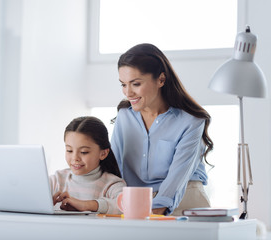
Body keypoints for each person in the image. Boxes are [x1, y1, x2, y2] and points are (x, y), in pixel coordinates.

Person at [111, 43, 213, 216]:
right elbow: (113, 169)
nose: (127, 93)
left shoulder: (191, 122)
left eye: (135, 84)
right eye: (123, 84)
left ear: (161, 79)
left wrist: (154, 212)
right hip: (137, 202)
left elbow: (177, 179)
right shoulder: (124, 116)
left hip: (185, 201)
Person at [50, 116, 126, 214]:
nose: (75, 158)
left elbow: (127, 205)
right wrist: (43, 202)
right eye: (69, 150)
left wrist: (86, 205)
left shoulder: (112, 184)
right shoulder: (56, 180)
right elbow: (27, 196)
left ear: (103, 153)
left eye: (84, 152)